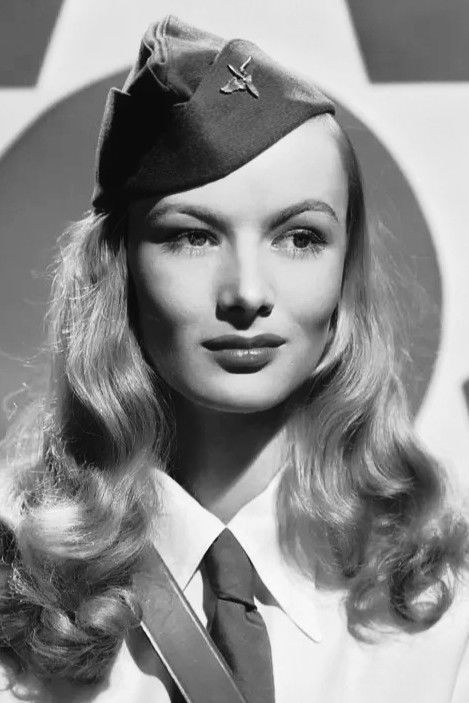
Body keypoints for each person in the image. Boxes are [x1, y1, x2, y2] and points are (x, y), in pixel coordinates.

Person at [0, 14, 468, 703]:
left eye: (300, 238)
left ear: (345, 272)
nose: (247, 293)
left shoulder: (445, 603)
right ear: (118, 269)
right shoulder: (17, 596)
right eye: (192, 237)